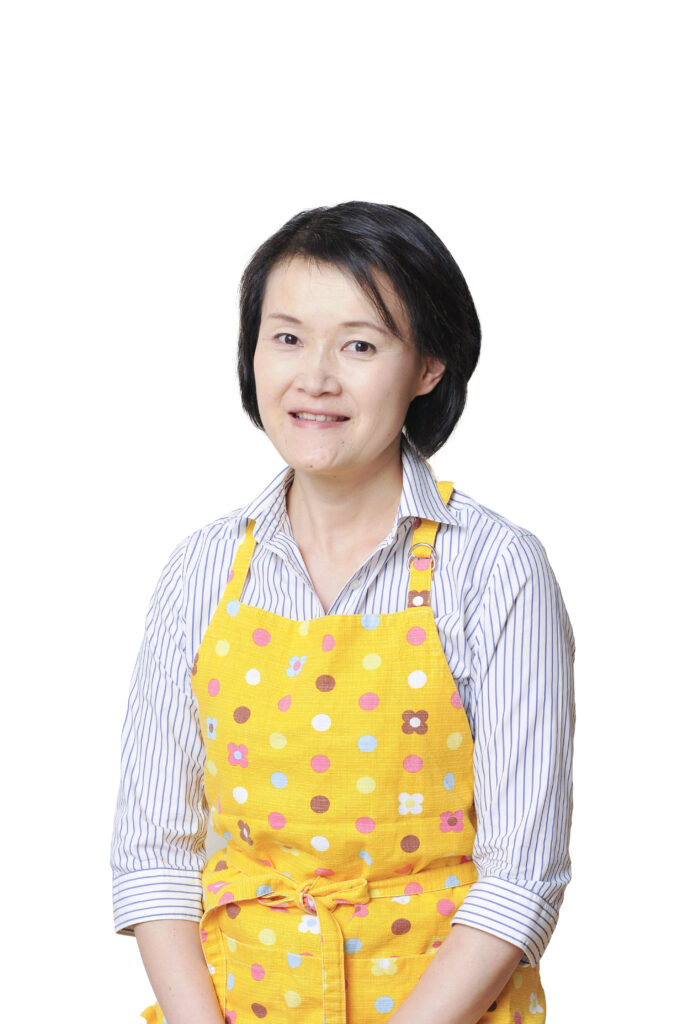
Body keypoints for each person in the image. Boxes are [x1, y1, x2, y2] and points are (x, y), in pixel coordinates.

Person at [110, 200, 575, 1024]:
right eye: (287, 337)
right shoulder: (201, 571)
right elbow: (154, 853)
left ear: (428, 365)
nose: (315, 377)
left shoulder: (495, 569)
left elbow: (521, 876)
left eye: (359, 345)